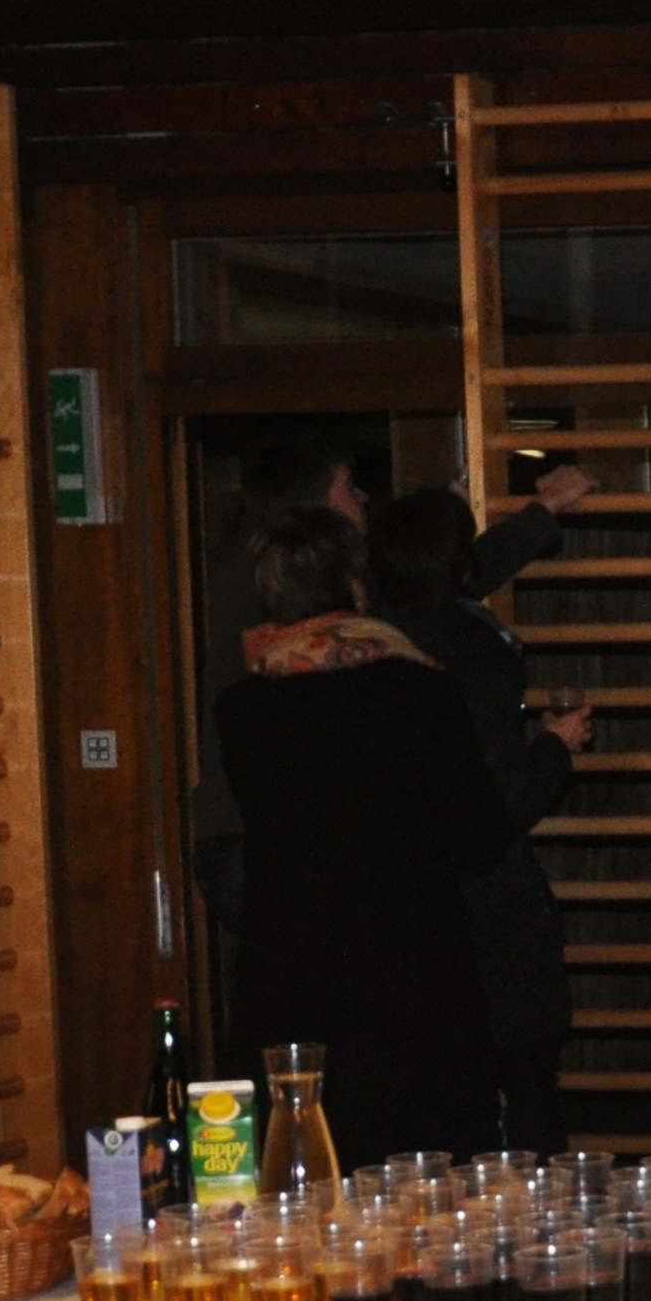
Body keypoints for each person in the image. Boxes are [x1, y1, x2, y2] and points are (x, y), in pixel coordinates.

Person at [212, 506, 515, 1166]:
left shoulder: (242, 709)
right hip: (411, 974)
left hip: (291, 977)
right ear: (356, 586)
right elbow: (480, 838)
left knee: (306, 1176)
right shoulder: (417, 687)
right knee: (425, 1185)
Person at [189, 435, 594, 922]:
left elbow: (425, 579)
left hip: (247, 835)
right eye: (347, 486)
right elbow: (426, 581)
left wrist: (490, 499)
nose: (362, 497)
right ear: (315, 507)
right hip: (271, 841)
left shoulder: (266, 576)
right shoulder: (304, 589)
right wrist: (540, 511)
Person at [367, 489, 591, 1150]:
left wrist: (540, 515)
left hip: (403, 910)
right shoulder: (472, 654)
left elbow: (447, 580)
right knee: (526, 1095)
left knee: (437, 1109)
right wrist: (554, 746)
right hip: (487, 910)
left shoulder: (367, 640)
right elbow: (503, 803)